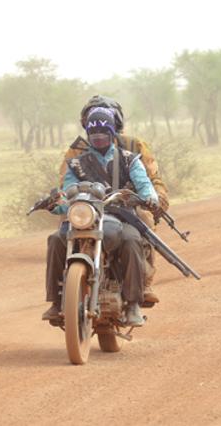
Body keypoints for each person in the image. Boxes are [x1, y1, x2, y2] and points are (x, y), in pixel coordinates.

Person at [43, 108, 159, 327]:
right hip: (84, 216)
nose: (98, 140)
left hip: (119, 216)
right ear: (88, 135)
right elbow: (67, 192)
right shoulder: (76, 164)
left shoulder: (129, 160)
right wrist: (55, 204)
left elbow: (145, 186)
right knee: (56, 239)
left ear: (112, 133)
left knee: (132, 240)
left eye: (103, 135)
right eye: (94, 136)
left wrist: (149, 198)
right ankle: (57, 302)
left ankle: (133, 303)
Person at [59, 95, 168, 303]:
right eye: (92, 121)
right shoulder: (76, 150)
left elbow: (152, 177)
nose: (98, 130)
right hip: (88, 207)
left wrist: (156, 199)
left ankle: (144, 283)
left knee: (143, 225)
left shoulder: (133, 146)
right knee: (61, 229)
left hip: (126, 206)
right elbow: (65, 182)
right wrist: (60, 201)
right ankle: (61, 293)